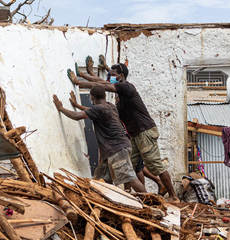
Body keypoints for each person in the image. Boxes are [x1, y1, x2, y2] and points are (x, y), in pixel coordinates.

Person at [69, 63, 179, 202]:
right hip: (134, 135)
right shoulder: (118, 101)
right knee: (129, 167)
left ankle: (173, 196)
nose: (110, 78)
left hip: (144, 131)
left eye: (113, 75)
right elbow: (99, 110)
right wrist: (78, 104)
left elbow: (102, 85)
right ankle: (132, 194)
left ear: (121, 76)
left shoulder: (127, 87)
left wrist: (79, 81)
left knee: (155, 165)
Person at [53, 86, 146, 193]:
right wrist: (77, 105)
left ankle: (151, 203)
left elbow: (77, 116)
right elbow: (92, 111)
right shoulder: (110, 106)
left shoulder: (99, 109)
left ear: (92, 97)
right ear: (104, 96)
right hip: (116, 149)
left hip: (117, 150)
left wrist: (61, 109)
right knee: (101, 178)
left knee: (130, 178)